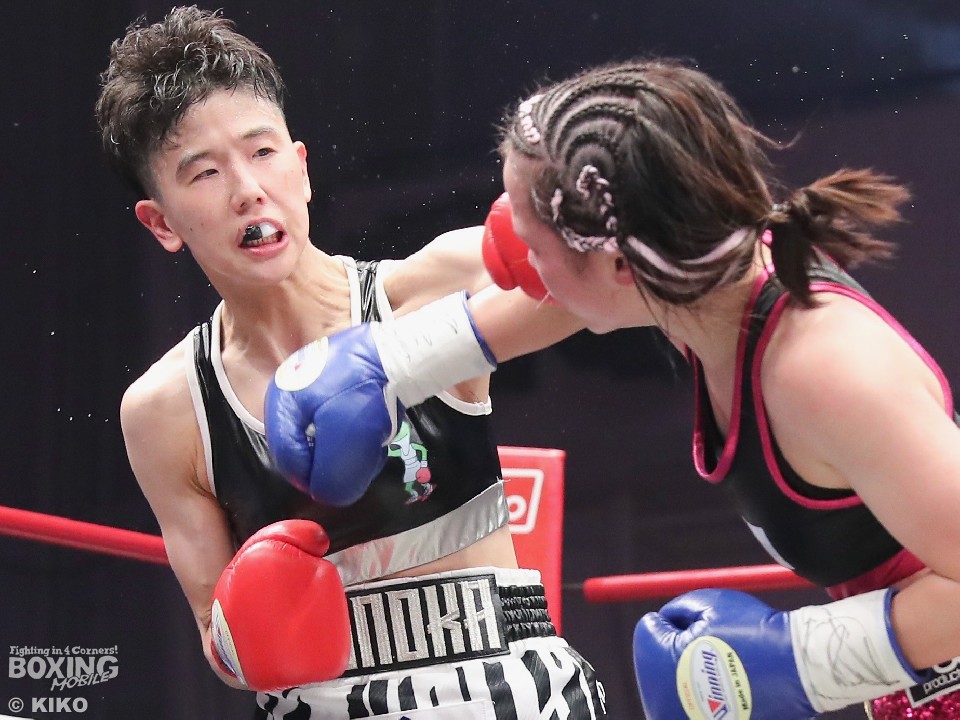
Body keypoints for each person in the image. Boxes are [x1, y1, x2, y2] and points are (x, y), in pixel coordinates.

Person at [266, 58, 960, 719]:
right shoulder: (703, 278)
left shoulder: (826, 371)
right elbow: (562, 297)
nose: (509, 263)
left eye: (532, 247)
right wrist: (396, 361)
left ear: (622, 266)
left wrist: (806, 661)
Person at [95, 6, 609, 719]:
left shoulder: (429, 287)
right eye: (205, 172)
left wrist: (405, 356)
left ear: (301, 169)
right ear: (161, 223)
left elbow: (602, 282)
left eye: (262, 152)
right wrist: (254, 622)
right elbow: (218, 633)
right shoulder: (168, 410)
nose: (247, 189)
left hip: (508, 689)